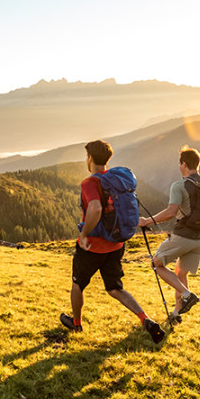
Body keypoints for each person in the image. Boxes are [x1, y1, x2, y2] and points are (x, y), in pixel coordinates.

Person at [59, 140, 164, 344]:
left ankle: (77, 323)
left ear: (90, 158)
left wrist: (83, 235)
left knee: (78, 284)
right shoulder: (118, 180)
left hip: (93, 245)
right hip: (116, 244)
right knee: (115, 288)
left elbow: (96, 209)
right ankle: (146, 319)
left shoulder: (89, 183)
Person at [138, 145, 200, 325]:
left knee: (157, 264)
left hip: (183, 236)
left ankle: (187, 295)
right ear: (197, 164)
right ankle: (176, 314)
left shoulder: (180, 185)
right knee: (180, 274)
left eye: (179, 163)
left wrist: (145, 221)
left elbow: (170, 212)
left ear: (183, 164)